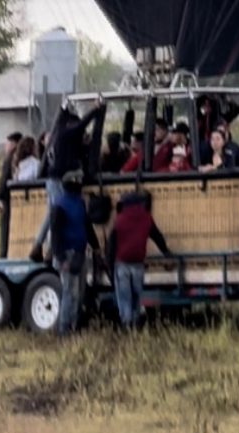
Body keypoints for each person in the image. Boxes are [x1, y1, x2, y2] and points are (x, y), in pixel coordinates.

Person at [31, 99, 107, 262]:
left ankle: (38, 245)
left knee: (51, 212)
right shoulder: (68, 133)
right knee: (59, 213)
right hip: (59, 179)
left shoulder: (57, 136)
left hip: (52, 178)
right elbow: (83, 124)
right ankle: (50, 250)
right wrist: (95, 109)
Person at [105, 186, 171, 329]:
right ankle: (135, 322)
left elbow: (111, 245)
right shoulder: (146, 218)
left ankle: (126, 323)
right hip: (138, 264)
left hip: (122, 264)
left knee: (124, 297)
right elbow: (157, 236)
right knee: (136, 297)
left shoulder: (119, 220)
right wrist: (166, 252)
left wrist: (109, 266)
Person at [49, 171, 100, 335]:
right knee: (70, 293)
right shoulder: (59, 205)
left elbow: (87, 225)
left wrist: (96, 246)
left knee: (79, 292)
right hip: (68, 254)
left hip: (79, 252)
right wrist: (61, 258)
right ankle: (65, 328)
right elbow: (55, 234)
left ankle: (75, 325)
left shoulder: (78, 203)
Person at [0, 131, 23, 259]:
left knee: (5, 231)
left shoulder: (10, 158)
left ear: (14, 144)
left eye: (8, 143)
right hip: (20, 200)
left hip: (8, 200)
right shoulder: (24, 156)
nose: (6, 146)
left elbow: (4, 181)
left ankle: (3, 257)